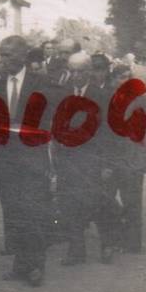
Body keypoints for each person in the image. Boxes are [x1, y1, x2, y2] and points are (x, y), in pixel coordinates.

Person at [0, 35, 57, 286]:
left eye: (8, 54)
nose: (3, 59)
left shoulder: (41, 83)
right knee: (14, 214)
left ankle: (36, 266)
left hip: (33, 161)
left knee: (34, 213)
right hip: (7, 163)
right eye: (1, 54)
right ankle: (20, 265)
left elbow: (51, 118)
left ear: (22, 56)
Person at [55, 52, 121, 266]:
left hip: (94, 161)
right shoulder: (62, 94)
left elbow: (111, 133)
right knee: (71, 205)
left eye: (81, 71)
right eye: (72, 71)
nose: (76, 76)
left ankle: (107, 245)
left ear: (90, 72)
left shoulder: (103, 96)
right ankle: (76, 251)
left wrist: (108, 165)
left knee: (99, 204)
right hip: (68, 161)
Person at [110, 60, 146, 253]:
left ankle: (133, 243)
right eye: (119, 77)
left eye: (127, 77)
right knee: (107, 197)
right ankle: (115, 235)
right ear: (113, 80)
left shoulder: (141, 99)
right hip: (112, 157)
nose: (123, 81)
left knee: (132, 200)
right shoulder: (108, 97)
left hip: (133, 156)